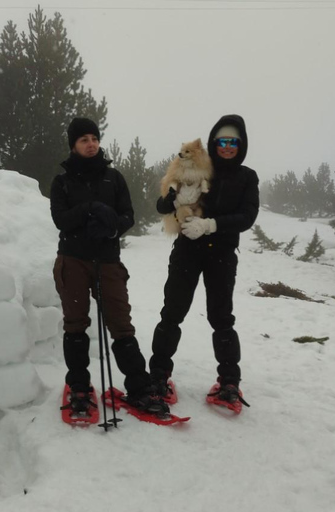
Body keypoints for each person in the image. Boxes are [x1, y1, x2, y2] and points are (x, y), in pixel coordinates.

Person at [50, 117, 167, 416]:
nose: (91, 144)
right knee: (75, 325)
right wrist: (90, 209)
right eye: (83, 140)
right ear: (73, 146)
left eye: (94, 138)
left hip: (108, 261)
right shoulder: (62, 181)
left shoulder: (113, 178)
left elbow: (129, 215)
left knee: (121, 325)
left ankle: (139, 387)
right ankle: (79, 386)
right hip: (73, 261)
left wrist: (112, 229)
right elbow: (61, 220)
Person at [149, 114, 259, 404]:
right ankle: (158, 377)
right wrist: (174, 198)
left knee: (221, 318)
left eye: (233, 141)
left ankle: (229, 382)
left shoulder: (247, 177)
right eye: (222, 141)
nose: (227, 146)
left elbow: (247, 217)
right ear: (213, 143)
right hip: (187, 249)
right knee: (172, 312)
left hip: (221, 255)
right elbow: (162, 204)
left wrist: (210, 225)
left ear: (241, 144)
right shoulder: (199, 167)